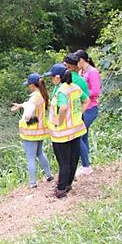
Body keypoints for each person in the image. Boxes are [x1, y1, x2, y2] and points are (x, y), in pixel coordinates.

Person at [44, 63, 89, 198]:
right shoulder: (74, 87)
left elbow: (63, 108)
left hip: (62, 132)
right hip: (76, 129)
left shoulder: (61, 91)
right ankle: (68, 184)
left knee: (63, 161)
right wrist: (78, 114)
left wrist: (60, 121)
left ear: (58, 77)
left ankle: (61, 189)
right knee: (73, 158)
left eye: (52, 77)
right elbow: (86, 100)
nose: (51, 79)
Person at [11, 73, 54, 188]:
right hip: (40, 131)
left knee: (30, 158)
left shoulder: (34, 98)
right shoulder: (43, 95)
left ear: (32, 85)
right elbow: (32, 105)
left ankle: (32, 182)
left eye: (29, 85)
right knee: (40, 153)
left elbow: (28, 115)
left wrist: (26, 117)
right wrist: (21, 105)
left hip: (30, 133)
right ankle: (49, 175)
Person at [75, 49, 101, 174]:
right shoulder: (80, 72)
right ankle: (85, 163)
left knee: (78, 136)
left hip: (90, 108)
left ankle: (86, 166)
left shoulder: (93, 72)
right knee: (83, 135)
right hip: (82, 108)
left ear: (81, 60)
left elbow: (96, 91)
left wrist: (81, 94)